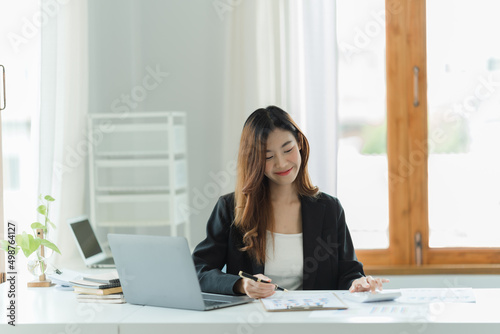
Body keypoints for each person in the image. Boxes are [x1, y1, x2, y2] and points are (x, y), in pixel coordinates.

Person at [192, 106, 388, 299]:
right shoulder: (231, 209)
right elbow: (198, 271)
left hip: (315, 322)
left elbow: (349, 273)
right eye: (268, 156)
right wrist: (240, 285)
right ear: (254, 161)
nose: (282, 163)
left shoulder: (330, 209)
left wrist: (358, 283)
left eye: (288, 150)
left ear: (300, 143)